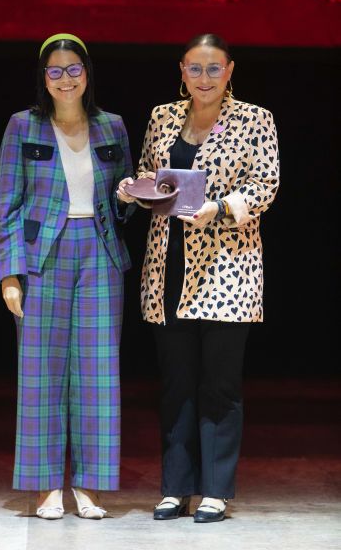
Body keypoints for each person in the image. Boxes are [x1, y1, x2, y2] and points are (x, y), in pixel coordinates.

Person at [118, 33, 279, 523]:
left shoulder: (255, 118)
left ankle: (215, 489)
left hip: (228, 267)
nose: (203, 78)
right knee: (176, 383)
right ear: (181, 71)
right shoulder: (163, 115)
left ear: (230, 70)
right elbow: (152, 174)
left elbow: (265, 183)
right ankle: (176, 487)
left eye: (213, 68)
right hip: (168, 266)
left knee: (220, 385)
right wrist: (133, 188)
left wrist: (221, 209)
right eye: (194, 68)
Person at [0, 33, 134, 520]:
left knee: (98, 372)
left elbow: (123, 204)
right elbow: (8, 208)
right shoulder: (22, 126)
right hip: (42, 257)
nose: (65, 78)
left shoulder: (112, 126)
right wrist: (9, 273)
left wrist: (130, 198)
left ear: (87, 73)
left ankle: (91, 487)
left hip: (99, 253)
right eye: (55, 71)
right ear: (43, 78)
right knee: (39, 374)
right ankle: (44, 486)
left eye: (73, 68)